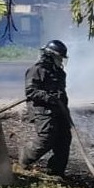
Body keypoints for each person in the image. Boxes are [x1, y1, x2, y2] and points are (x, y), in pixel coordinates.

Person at [19, 40, 72, 177]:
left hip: (59, 110)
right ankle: (24, 159)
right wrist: (49, 97)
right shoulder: (37, 70)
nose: (61, 61)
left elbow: (62, 93)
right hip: (42, 110)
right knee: (46, 138)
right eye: (59, 58)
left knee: (64, 138)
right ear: (50, 56)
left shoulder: (59, 73)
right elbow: (31, 91)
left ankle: (55, 172)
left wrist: (65, 110)